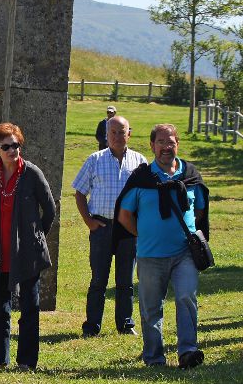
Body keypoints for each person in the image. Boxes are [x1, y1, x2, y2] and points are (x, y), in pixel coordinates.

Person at [115, 123, 210, 369]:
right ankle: (154, 357)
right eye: (161, 142)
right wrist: (144, 234)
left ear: (177, 144)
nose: (166, 147)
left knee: (186, 297)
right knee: (150, 308)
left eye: (171, 142)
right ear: (152, 146)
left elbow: (200, 210)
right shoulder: (142, 178)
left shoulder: (190, 175)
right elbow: (124, 215)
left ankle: (187, 351)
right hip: (150, 255)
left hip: (184, 254)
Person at [0, 123, 57, 372]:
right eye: (7, 146)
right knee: (0, 308)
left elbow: (50, 209)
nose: (13, 150)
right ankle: (0, 359)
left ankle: (27, 362)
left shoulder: (32, 173)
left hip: (26, 254)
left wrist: (34, 237)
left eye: (16, 145)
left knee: (30, 309)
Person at [72, 115, 147, 338]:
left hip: (128, 229)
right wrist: (88, 221)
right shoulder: (95, 160)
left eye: (121, 132)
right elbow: (79, 192)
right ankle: (92, 326)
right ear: (106, 134)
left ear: (129, 134)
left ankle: (125, 324)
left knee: (125, 280)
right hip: (102, 226)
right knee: (98, 280)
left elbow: (146, 196)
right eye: (112, 132)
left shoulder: (140, 161)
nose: (117, 136)